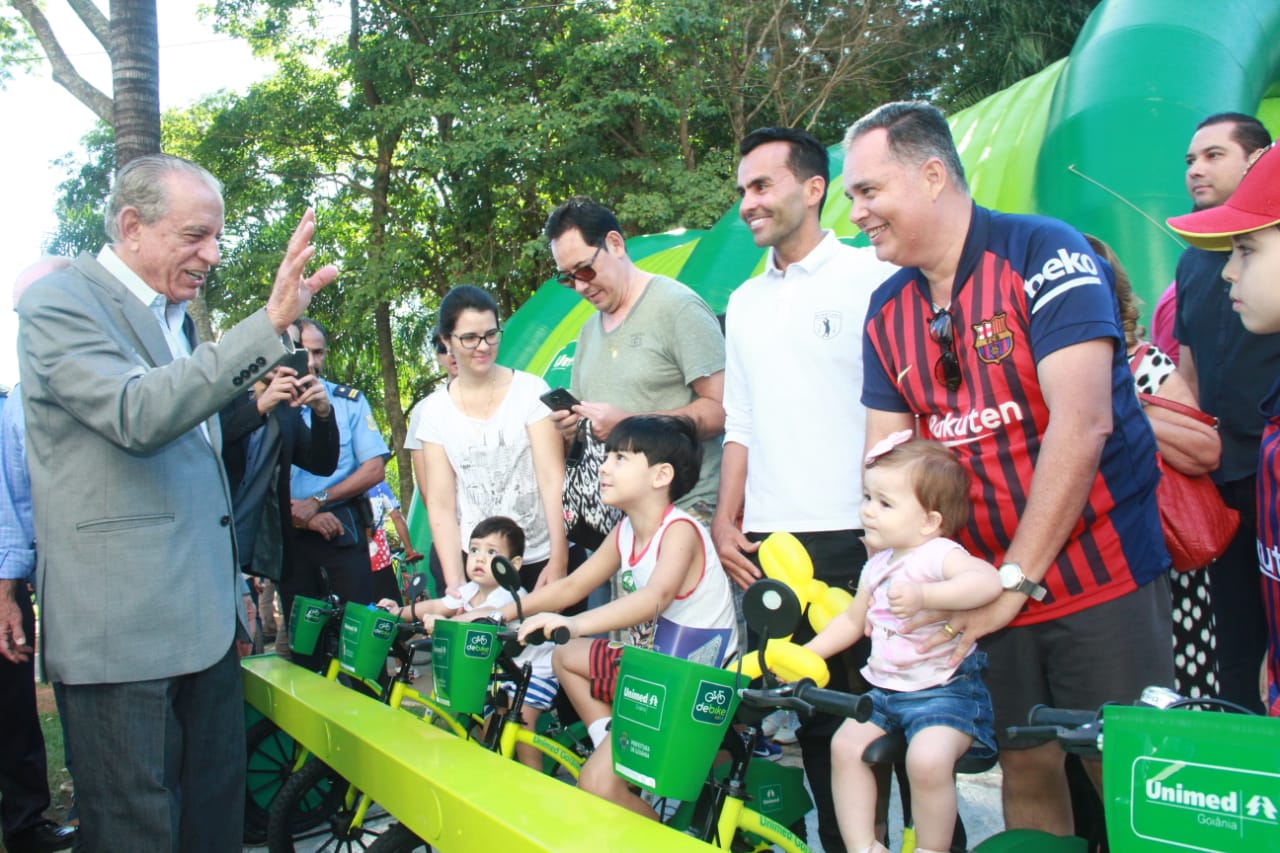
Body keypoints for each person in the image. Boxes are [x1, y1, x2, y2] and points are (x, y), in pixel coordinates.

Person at [848, 101, 1173, 836]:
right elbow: (885, 464)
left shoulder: (1045, 251)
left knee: (1121, 765)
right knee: (1024, 760)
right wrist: (888, 587)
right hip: (976, 585)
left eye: (869, 191)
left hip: (1099, 573)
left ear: (933, 174)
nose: (858, 212)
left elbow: (1083, 421)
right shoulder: (884, 309)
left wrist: (1015, 580)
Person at [12, 153, 336, 852]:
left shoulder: (177, 319)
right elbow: (137, 412)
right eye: (196, 236)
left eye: (216, 237)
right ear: (132, 224)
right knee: (137, 834)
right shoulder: (59, 302)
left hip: (205, 630)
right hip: (123, 637)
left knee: (211, 828)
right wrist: (268, 323)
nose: (212, 255)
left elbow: (201, 458)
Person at [711, 126, 897, 852]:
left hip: (862, 535)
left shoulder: (872, 277)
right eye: (742, 190)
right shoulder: (745, 300)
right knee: (814, 725)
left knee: (888, 722)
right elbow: (741, 422)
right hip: (771, 544)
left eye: (761, 186)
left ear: (815, 188)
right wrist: (728, 521)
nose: (748, 203)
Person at [471, 415, 738, 818]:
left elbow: (655, 597)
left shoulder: (681, 530)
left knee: (594, 786)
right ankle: (612, 742)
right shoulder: (626, 531)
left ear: (660, 475)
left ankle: (654, 830)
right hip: (652, 671)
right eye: (606, 455)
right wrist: (496, 616)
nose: (603, 466)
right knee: (567, 656)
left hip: (693, 681)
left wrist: (572, 623)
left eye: (621, 457)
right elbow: (570, 587)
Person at [806, 433, 1000, 853]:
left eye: (884, 503)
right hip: (887, 693)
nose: (868, 510)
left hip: (945, 693)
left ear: (929, 521)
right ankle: (863, 845)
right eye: (867, 497)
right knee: (845, 745)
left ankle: (933, 848)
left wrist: (927, 596)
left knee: (926, 761)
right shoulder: (879, 564)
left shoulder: (937, 554)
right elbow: (853, 621)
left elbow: (986, 581)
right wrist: (806, 655)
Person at [1166, 141, 1280, 715]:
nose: (1229, 270)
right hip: (1226, 478)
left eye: (1247, 250)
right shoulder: (1193, 265)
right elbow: (1188, 370)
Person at [1088, 236, 1221, 698]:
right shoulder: (1031, 370)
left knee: (1171, 694)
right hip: (1080, 564)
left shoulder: (1145, 365)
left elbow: (1205, 452)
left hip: (1158, 559)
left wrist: (1125, 405)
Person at [543, 197, 726, 533]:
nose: (580, 286)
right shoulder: (587, 333)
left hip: (683, 516)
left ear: (614, 244)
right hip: (619, 523)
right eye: (567, 279)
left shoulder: (678, 308)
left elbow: (720, 411)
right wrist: (574, 427)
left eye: (584, 269)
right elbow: (594, 425)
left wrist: (630, 424)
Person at [415, 285, 569, 595]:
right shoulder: (434, 411)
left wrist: (559, 559)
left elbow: (552, 480)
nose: (482, 346)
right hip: (477, 568)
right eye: (469, 338)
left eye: (491, 334)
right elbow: (441, 502)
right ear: (446, 340)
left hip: (538, 557)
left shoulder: (529, 391)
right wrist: (456, 582)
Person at [0, 258, 77, 853]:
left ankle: (31, 825)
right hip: (24, 574)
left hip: (50, 572)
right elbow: (13, 500)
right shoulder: (14, 405)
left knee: (18, 712)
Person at [378, 515, 555, 769]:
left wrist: (447, 624)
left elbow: (487, 615)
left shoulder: (510, 595)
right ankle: (494, 774)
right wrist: (397, 612)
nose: (479, 558)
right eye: (474, 550)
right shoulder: (469, 590)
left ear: (513, 564)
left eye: (491, 552)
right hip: (501, 675)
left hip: (533, 672)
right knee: (489, 726)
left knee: (521, 727)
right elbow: (436, 605)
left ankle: (537, 783)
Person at [220, 322, 339, 652]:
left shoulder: (287, 410)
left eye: (296, 351)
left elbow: (320, 463)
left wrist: (323, 415)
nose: (299, 360)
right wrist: (259, 405)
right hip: (209, 538)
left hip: (255, 545)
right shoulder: (222, 394)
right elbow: (210, 441)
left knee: (251, 645)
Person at [286, 317, 391, 645]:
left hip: (342, 531)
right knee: (305, 646)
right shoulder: (266, 407)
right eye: (301, 352)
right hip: (289, 539)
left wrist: (317, 500)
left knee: (360, 642)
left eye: (317, 353)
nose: (310, 362)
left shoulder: (348, 401)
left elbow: (374, 469)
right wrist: (303, 515)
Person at [405, 327, 459, 597]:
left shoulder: (514, 394)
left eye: (456, 343)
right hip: (454, 535)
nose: (451, 354)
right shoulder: (426, 410)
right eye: (442, 348)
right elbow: (427, 488)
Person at [366, 479, 422, 604]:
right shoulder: (378, 485)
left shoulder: (342, 481)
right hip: (380, 559)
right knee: (390, 605)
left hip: (352, 556)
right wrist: (409, 550)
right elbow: (396, 516)